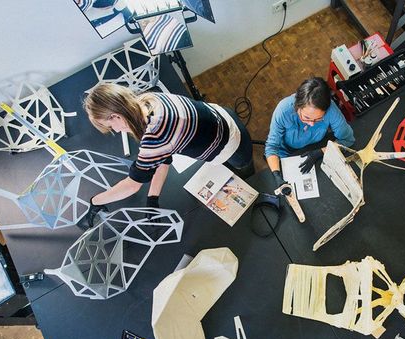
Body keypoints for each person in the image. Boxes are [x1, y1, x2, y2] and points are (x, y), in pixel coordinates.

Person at [81, 83, 254, 228]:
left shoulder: (155, 136)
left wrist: (95, 201)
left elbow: (132, 186)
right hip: (221, 115)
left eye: (111, 126)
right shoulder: (149, 99)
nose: (117, 131)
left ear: (116, 116)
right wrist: (153, 197)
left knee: (245, 168)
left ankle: (252, 175)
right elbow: (163, 155)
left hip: (233, 145)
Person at [265, 77, 355, 192]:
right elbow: (272, 147)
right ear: (297, 106)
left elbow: (347, 139)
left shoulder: (331, 110)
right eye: (306, 117)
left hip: (315, 147)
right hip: (286, 152)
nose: (311, 124)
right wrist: (277, 175)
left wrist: (320, 152)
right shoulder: (283, 110)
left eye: (318, 119)